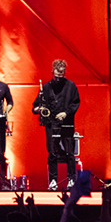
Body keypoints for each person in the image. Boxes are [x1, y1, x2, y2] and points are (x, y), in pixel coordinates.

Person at [35, 59, 83, 193]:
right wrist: (39, 109)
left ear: (64, 74)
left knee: (69, 153)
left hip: (67, 123)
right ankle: (53, 180)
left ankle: (71, 179)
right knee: (52, 153)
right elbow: (35, 106)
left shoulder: (71, 86)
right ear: (52, 73)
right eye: (56, 77)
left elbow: (75, 103)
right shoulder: (46, 87)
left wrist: (66, 113)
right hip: (51, 124)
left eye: (60, 77)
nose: (58, 80)